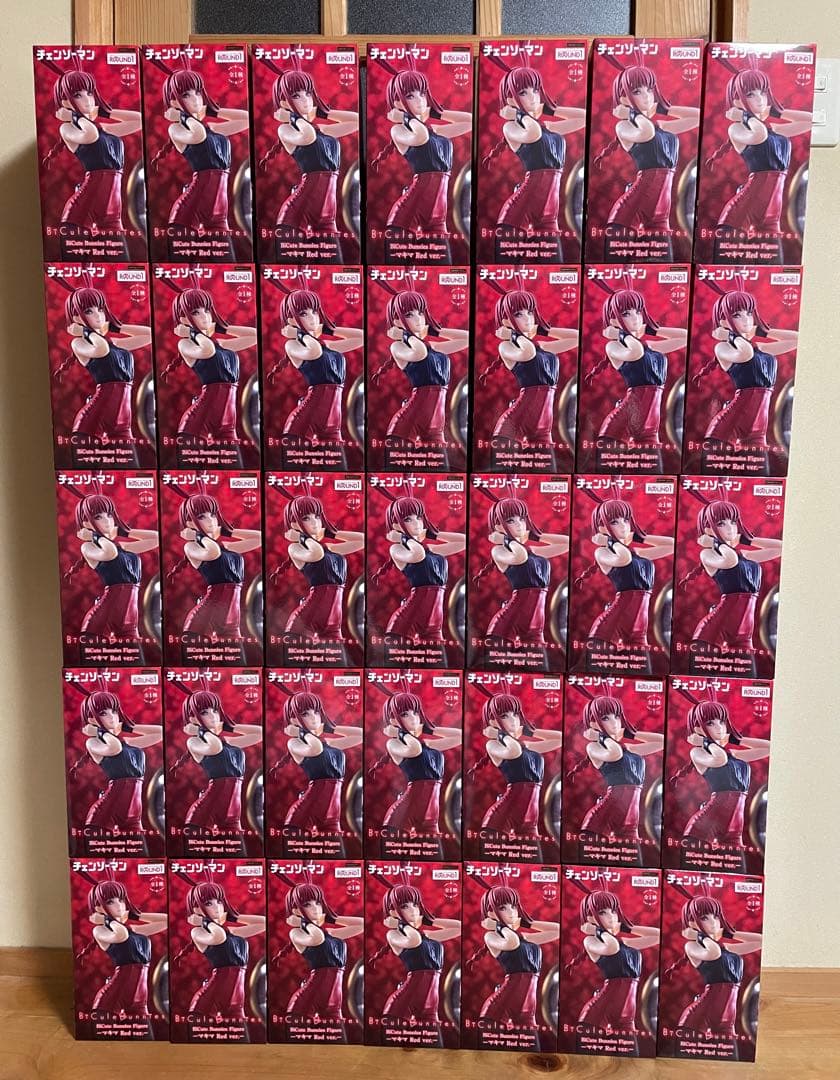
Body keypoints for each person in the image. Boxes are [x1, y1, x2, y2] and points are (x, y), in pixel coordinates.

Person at [705, 63, 812, 260]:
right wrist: (745, 115)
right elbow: (759, 135)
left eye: (763, 92)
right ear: (736, 100)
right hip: (738, 217)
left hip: (771, 220)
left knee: (772, 273)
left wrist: (777, 112)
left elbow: (809, 120)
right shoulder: (736, 129)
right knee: (729, 272)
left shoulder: (774, 129)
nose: (760, 99)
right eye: (751, 94)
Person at [593, 62, 699, 257]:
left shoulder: (660, 126)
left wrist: (665, 108)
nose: (647, 96)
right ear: (624, 98)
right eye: (637, 91)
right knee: (621, 272)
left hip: (660, 218)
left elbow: (698, 117)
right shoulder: (624, 127)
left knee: (662, 270)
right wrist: (632, 113)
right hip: (628, 216)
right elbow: (646, 132)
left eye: (649, 89)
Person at [483, 65, 586, 258]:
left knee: (553, 269)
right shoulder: (511, 128)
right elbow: (533, 133)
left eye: (536, 90)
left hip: (548, 218)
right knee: (511, 273)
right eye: (523, 92)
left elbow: (584, 117)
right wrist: (519, 114)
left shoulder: (547, 127)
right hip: (517, 216)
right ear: (511, 99)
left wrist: (549, 108)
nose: (533, 97)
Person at [371, 64, 472, 258]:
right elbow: (420, 137)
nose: (419, 100)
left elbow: (469, 121)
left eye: (422, 94)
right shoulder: (398, 130)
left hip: (437, 221)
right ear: (396, 102)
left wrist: (436, 112)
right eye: (410, 96)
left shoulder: (434, 130)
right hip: (406, 219)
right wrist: (406, 117)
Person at [259, 66, 359, 259]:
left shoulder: (321, 129)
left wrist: (323, 112)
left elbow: (356, 121)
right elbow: (307, 137)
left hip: (327, 219)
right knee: (292, 271)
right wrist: (292, 117)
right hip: (296, 216)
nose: (306, 100)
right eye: (296, 95)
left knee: (334, 269)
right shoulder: (286, 130)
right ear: (284, 102)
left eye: (308, 93)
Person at [43, 68, 142, 254]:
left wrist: (105, 111)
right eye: (78, 95)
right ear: (65, 102)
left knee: (122, 263)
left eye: (89, 93)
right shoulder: (67, 129)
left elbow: (140, 120)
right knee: (78, 269)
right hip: (80, 214)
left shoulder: (102, 128)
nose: (88, 99)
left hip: (112, 216)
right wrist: (74, 116)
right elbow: (90, 135)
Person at [153, 69, 249, 253]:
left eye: (198, 92)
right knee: (184, 267)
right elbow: (198, 135)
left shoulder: (211, 127)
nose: (196, 99)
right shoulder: (176, 129)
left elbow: (246, 119)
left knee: (227, 264)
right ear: (174, 102)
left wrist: (212, 109)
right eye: (186, 95)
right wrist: (182, 116)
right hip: (189, 213)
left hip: (219, 216)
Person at [479, 286, 578, 464]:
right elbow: (528, 353)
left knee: (546, 476)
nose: (527, 318)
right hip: (513, 428)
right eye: (518, 314)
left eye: (530, 312)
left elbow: (576, 338)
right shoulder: (506, 347)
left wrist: (543, 330)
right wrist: (513, 335)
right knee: (506, 478)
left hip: (543, 432)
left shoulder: (541, 346)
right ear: (505, 321)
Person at [57, 284, 152, 462]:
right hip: (92, 424)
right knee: (91, 475)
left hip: (122, 425)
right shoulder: (79, 343)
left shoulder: (113, 342)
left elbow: (149, 335)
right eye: (89, 311)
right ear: (76, 317)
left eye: (100, 309)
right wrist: (85, 331)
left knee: (131, 471)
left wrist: (116, 327)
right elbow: (101, 349)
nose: (98, 315)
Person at [670, 700, 770, 866]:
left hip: (734, 832)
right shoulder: (697, 752)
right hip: (703, 827)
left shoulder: (733, 754)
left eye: (722, 721)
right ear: (697, 728)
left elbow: (769, 748)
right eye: (710, 723)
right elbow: (719, 759)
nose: (719, 727)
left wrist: (736, 739)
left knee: (737, 873)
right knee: (694, 871)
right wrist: (705, 742)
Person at [164, 286, 257, 462]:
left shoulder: (220, 343)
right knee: (194, 473)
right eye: (196, 312)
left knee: (235, 471)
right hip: (197, 424)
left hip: (227, 426)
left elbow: (254, 335)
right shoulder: (185, 344)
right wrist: (192, 332)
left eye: (207, 310)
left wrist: (222, 328)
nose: (205, 316)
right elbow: (207, 351)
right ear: (183, 319)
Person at [566, 696, 663, 862]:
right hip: (602, 822)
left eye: (617, 716)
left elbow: (661, 741)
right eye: (605, 718)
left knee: (634, 868)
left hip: (630, 825)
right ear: (593, 723)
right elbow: (615, 754)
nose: (614, 723)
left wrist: (629, 733)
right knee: (596, 868)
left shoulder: (629, 748)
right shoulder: (593, 747)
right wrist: (602, 737)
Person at [689, 500, 782, 672]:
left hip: (744, 638)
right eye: (721, 523)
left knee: (746, 679)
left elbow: (781, 547)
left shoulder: (744, 554)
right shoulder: (707, 554)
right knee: (707, 680)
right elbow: (730, 561)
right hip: (714, 633)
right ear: (708, 530)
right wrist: (715, 543)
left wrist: (747, 539)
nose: (730, 528)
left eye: (733, 521)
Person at [584, 498, 674, 670]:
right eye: (614, 522)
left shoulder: (637, 552)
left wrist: (639, 537)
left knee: (643, 675)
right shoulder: (602, 552)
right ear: (601, 528)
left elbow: (672, 545)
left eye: (626, 520)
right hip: (610, 630)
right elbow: (623, 558)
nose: (623, 526)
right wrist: (609, 541)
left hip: (639, 633)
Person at [478, 496, 569, 666]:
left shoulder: (532, 550)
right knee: (500, 673)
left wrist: (536, 535)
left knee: (540, 671)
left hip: (535, 630)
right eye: (511, 520)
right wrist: (506, 540)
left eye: (522, 518)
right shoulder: (499, 551)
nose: (520, 524)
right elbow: (520, 557)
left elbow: (567, 543)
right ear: (498, 526)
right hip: (507, 627)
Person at [371, 691, 461, 854]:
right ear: (393, 720)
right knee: (395, 863)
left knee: (435, 860)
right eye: (405, 714)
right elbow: (414, 749)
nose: (413, 718)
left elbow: (459, 736)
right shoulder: (393, 744)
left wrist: (429, 729)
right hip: (403, 816)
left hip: (430, 820)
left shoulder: (427, 744)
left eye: (416, 712)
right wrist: (400, 733)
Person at [471, 693, 562, 854]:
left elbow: (560, 739)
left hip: (530, 823)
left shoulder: (525, 745)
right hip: (502, 820)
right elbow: (513, 751)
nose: (513, 720)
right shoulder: (493, 745)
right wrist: (499, 734)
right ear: (492, 722)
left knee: (533, 864)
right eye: (504, 716)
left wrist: (529, 731)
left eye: (515, 714)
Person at [375, 496, 465, 658]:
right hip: (406, 624)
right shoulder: (397, 549)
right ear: (396, 525)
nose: (417, 523)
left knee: (439, 666)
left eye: (419, 517)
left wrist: (432, 533)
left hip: (434, 627)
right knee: (399, 668)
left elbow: (463, 541)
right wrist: (403, 538)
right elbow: (417, 555)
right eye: (408, 519)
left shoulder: (429, 548)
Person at [173, 689, 262, 853]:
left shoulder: (226, 741)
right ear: (193, 719)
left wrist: (229, 726)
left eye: (215, 710)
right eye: (204, 712)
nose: (213, 716)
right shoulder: (194, 742)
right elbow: (214, 747)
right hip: (204, 817)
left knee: (239, 859)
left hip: (232, 819)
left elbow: (260, 733)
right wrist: (200, 731)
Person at [74, 689, 162, 852]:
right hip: (105, 816)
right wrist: (99, 731)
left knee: (142, 858)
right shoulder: (93, 743)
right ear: (92, 719)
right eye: (103, 713)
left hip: (133, 818)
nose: (112, 716)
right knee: (103, 861)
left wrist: (128, 727)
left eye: (114, 711)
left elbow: (161, 732)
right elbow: (114, 748)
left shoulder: (127, 742)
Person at [173, 493, 261, 655]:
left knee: (236, 663)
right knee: (199, 665)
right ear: (190, 523)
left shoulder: (226, 546)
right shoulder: (191, 547)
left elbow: (259, 538)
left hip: (232, 624)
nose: (211, 520)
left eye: (213, 514)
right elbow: (213, 552)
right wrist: (198, 536)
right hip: (204, 622)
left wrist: (227, 531)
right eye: (202, 516)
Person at [572, 888, 659, 1050]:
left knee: (632, 1060)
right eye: (603, 912)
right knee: (590, 1062)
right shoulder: (590, 941)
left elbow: (657, 935)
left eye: (613, 911)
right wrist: (598, 930)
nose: (611, 916)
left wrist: (627, 928)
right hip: (598, 1015)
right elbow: (612, 947)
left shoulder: (625, 942)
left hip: (627, 1018)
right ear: (590, 918)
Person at [71, 493, 159, 653]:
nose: (107, 521)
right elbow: (110, 553)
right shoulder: (88, 547)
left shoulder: (122, 547)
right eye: (98, 517)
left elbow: (157, 539)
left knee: (136, 664)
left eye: (109, 515)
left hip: (129, 625)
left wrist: (123, 531)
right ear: (86, 523)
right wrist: (94, 536)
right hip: (101, 623)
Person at [474, 884, 559, 1048]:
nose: (511, 912)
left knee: (533, 1054)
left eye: (513, 906)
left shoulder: (524, 937)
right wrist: (498, 926)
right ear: (490, 913)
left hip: (527, 1012)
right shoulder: (491, 936)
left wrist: (528, 923)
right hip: (499, 1010)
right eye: (503, 908)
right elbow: (512, 943)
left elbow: (557, 930)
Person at [676, 894, 762, 1052]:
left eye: (716, 916)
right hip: (700, 1018)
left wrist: (730, 933)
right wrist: (699, 936)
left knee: (730, 1059)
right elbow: (713, 953)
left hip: (727, 1022)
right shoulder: (691, 946)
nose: (713, 922)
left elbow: (761, 941)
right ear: (692, 923)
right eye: (704, 918)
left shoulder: (726, 948)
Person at [280, 690, 362, 851]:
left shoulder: (328, 743)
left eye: (316, 712)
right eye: (305, 713)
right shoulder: (294, 743)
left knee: (337, 858)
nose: (314, 717)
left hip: (332, 818)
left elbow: (360, 735)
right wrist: (300, 732)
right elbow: (315, 748)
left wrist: (331, 728)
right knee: (298, 860)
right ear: (293, 719)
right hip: (304, 815)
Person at [377, 882, 461, 1039]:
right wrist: (400, 923)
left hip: (430, 1009)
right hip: (402, 1007)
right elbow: (413, 940)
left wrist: (429, 921)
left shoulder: (426, 935)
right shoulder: (393, 935)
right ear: (392, 911)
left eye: (415, 905)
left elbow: (458, 927)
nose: (413, 910)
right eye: (404, 906)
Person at [83, 879, 167, 1036]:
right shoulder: (100, 931)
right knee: (102, 1045)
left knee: (148, 1040)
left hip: (139, 1002)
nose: (119, 905)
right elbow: (121, 935)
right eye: (110, 901)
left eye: (121, 899)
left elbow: (166, 920)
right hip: (112, 1000)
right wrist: (105, 920)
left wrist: (135, 914)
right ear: (98, 908)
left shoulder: (133, 929)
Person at [184, 881, 266, 1041]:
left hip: (236, 1005)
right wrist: (204, 921)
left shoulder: (231, 931)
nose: (217, 907)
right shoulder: (198, 932)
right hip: (209, 1004)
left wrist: (233, 916)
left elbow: (263, 923)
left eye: (219, 901)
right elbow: (218, 937)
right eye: (209, 903)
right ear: (196, 909)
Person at [282, 881, 363, 1037]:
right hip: (306, 1004)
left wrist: (332, 918)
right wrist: (303, 922)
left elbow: (361, 924)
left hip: (334, 1006)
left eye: (318, 903)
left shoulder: (330, 933)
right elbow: (316, 938)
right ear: (296, 910)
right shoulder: (296, 933)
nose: (315, 908)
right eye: (307, 904)